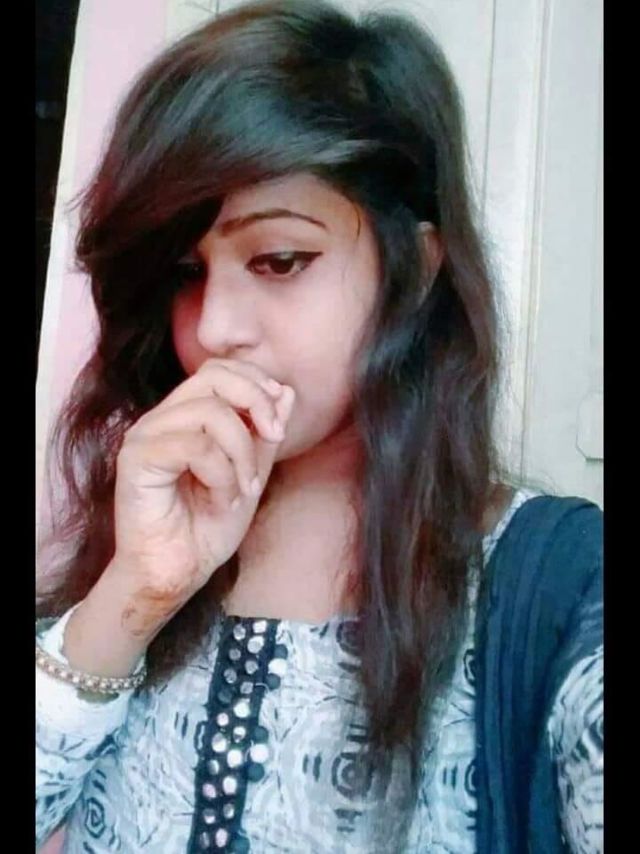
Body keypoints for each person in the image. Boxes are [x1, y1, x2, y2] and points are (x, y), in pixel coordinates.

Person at [35, 1, 603, 851]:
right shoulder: (146, 531)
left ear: (415, 268)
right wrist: (131, 597)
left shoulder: (559, 584)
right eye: (186, 272)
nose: (216, 327)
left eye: (279, 260)